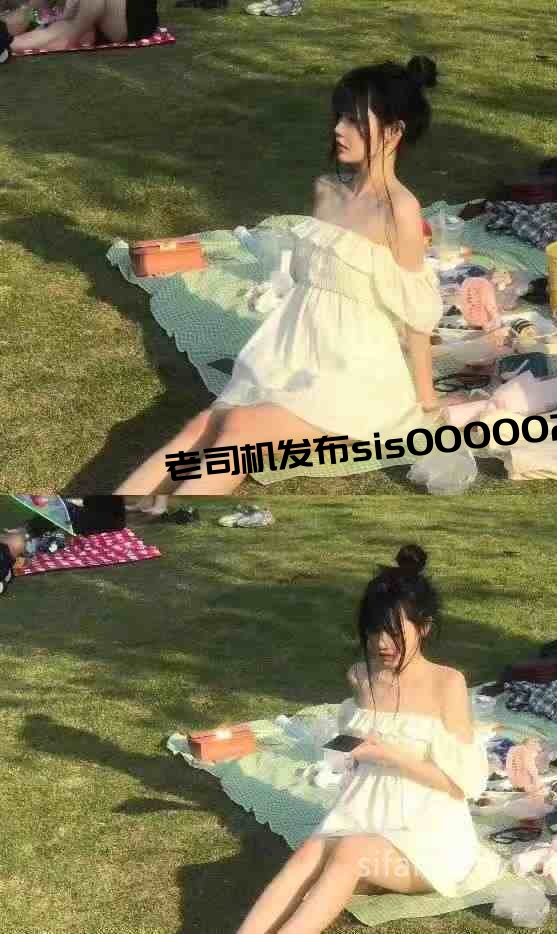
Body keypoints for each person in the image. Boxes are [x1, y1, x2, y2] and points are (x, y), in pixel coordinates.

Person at [115, 56, 444, 496]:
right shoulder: (327, 191)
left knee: (237, 429)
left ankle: (154, 517)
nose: (338, 129)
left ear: (394, 131)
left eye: (353, 120)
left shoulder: (400, 209)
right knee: (202, 424)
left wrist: (427, 402)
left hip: (355, 375)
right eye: (339, 116)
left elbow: (417, 312)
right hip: (295, 354)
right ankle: (109, 516)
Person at [235, 545, 500, 934]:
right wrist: (348, 751)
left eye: (395, 632)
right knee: (309, 853)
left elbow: (462, 784)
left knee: (350, 851)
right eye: (374, 631)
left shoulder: (447, 683)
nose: (382, 643)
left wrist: (388, 755)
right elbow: (349, 750)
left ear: (424, 627)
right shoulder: (361, 675)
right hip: (364, 815)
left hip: (428, 839)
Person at [1, 0, 158, 54]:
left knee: (63, 29)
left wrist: (72, 34)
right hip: (132, 19)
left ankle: (7, 43)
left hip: (123, 24)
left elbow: (95, 5)